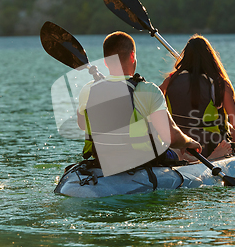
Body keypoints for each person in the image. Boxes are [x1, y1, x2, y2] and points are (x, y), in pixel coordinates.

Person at [77, 31, 201, 176]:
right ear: (132, 56)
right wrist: (190, 142)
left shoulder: (88, 90)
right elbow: (171, 137)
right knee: (178, 150)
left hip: (104, 160)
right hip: (144, 161)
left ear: (105, 61)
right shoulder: (148, 90)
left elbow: (83, 124)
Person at [159, 34, 235, 158]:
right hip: (212, 147)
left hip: (179, 146)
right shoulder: (220, 84)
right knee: (227, 125)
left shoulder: (170, 81)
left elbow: (152, 105)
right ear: (211, 58)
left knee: (225, 124)